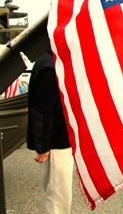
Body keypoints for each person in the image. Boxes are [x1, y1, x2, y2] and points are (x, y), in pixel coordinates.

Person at [27, 50, 73, 213]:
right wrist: (43, 146)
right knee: (58, 200)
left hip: (56, 142)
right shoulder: (51, 66)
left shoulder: (47, 60)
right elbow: (41, 109)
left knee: (57, 197)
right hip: (55, 144)